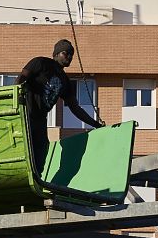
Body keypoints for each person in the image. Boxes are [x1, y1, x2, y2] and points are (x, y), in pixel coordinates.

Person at [19, 38, 101, 170]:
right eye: (65, 53)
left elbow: (75, 108)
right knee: (24, 146)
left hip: (40, 119)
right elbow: (22, 78)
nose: (69, 57)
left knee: (42, 148)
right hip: (26, 113)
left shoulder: (65, 81)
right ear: (56, 54)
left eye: (71, 55)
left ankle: (36, 178)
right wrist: (16, 101)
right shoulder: (41, 62)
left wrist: (96, 124)